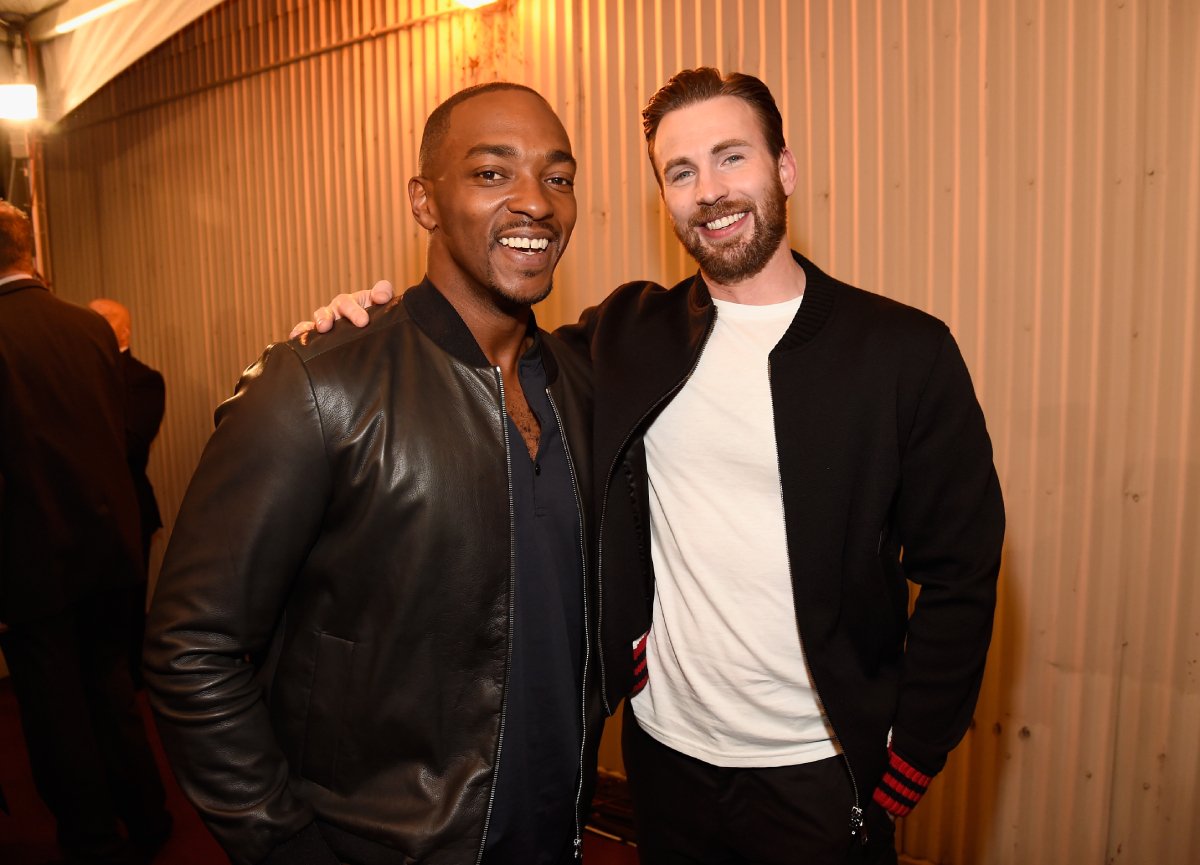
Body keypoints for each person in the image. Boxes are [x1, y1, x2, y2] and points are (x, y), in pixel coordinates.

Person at [308, 67, 1004, 864]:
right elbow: (479, 354)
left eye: (731, 157)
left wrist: (912, 750)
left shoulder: (903, 353)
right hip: (666, 758)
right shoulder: (630, 333)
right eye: (681, 171)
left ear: (785, 169)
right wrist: (359, 329)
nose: (709, 190)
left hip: (819, 771)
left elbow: (962, 572)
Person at [143, 83, 601, 865]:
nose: (536, 203)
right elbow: (191, 645)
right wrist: (285, 844)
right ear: (425, 201)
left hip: (554, 831)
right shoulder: (321, 385)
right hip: (387, 845)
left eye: (557, 177)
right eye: (493, 173)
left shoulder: (580, 384)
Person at [0, 201, 172, 865]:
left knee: (54, 710)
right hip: (107, 551)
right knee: (112, 691)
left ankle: (92, 838)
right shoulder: (89, 329)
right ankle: (151, 816)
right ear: (29, 252)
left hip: (30, 560)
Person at [89, 298, 166, 688]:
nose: (92, 325)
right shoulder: (74, 374)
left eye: (103, 319)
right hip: (78, 514)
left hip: (129, 510)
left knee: (127, 612)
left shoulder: (142, 379)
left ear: (125, 331)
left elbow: (130, 444)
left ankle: (134, 691)